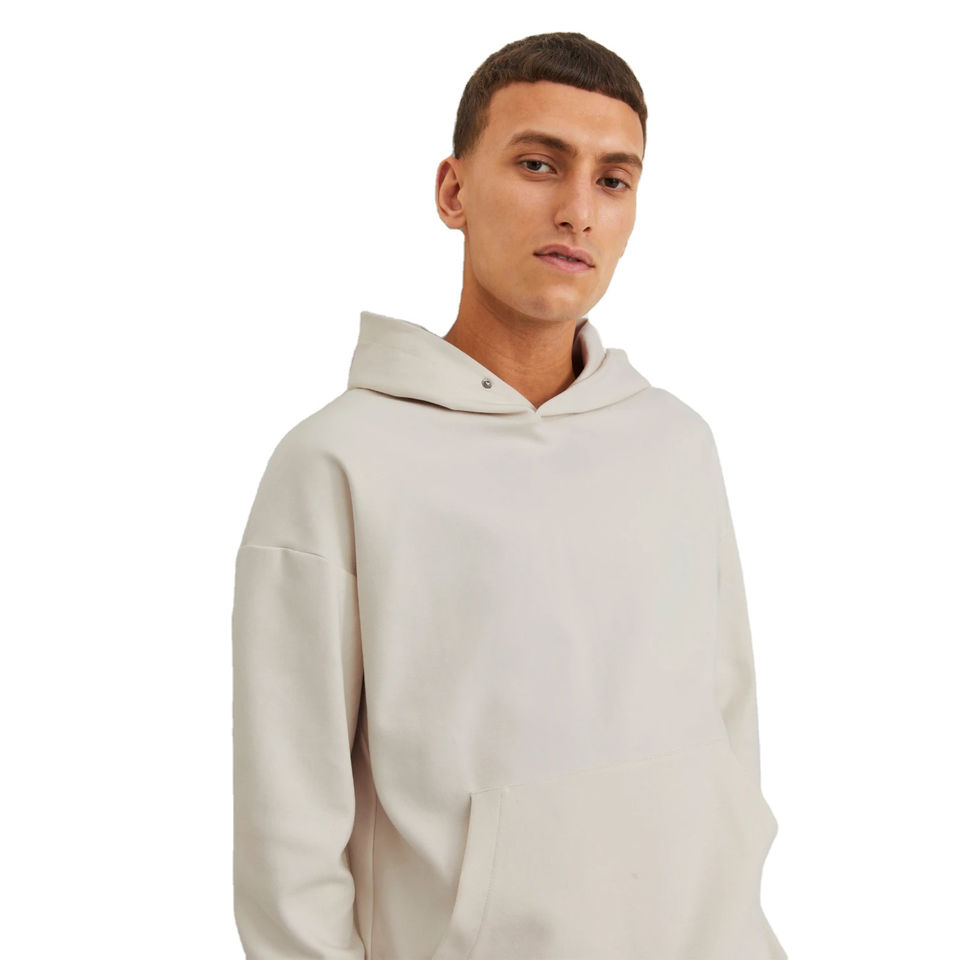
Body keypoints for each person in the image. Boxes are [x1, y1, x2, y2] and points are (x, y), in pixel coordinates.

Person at [231, 31, 788, 960]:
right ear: (454, 191)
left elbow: (729, 729)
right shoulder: (339, 463)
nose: (578, 211)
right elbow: (287, 837)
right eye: (539, 164)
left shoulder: (676, 443)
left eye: (614, 179)